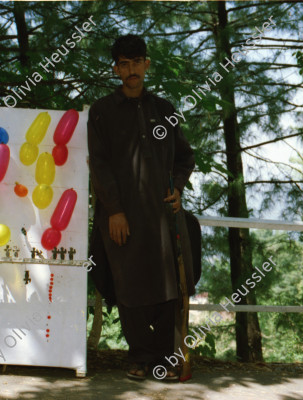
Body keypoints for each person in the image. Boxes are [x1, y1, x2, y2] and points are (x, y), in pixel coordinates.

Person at [87, 34, 195, 380]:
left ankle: (164, 357)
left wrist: (177, 188)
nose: (131, 70)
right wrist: (115, 210)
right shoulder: (102, 112)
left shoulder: (164, 110)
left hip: (161, 214)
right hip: (119, 215)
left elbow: (184, 157)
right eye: (123, 63)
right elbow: (99, 165)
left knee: (167, 287)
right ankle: (139, 358)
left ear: (146, 65)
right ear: (115, 68)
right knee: (128, 284)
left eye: (136, 62)